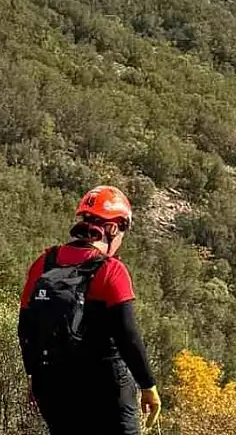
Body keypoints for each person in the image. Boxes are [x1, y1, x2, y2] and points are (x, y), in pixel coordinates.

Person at [18, 185, 162, 435]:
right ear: (113, 228)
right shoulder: (111, 271)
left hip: (54, 385)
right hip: (106, 388)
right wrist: (148, 386)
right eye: (123, 230)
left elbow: (25, 327)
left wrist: (34, 374)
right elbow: (127, 336)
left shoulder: (44, 263)